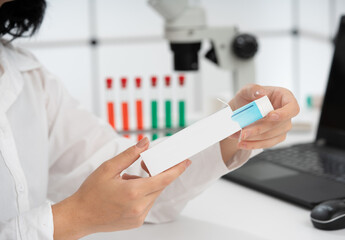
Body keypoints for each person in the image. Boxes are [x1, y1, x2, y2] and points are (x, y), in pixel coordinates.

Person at [0, 0, 300, 239]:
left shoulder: (27, 76)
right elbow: (94, 206)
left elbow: (132, 181)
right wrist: (73, 218)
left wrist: (228, 131)